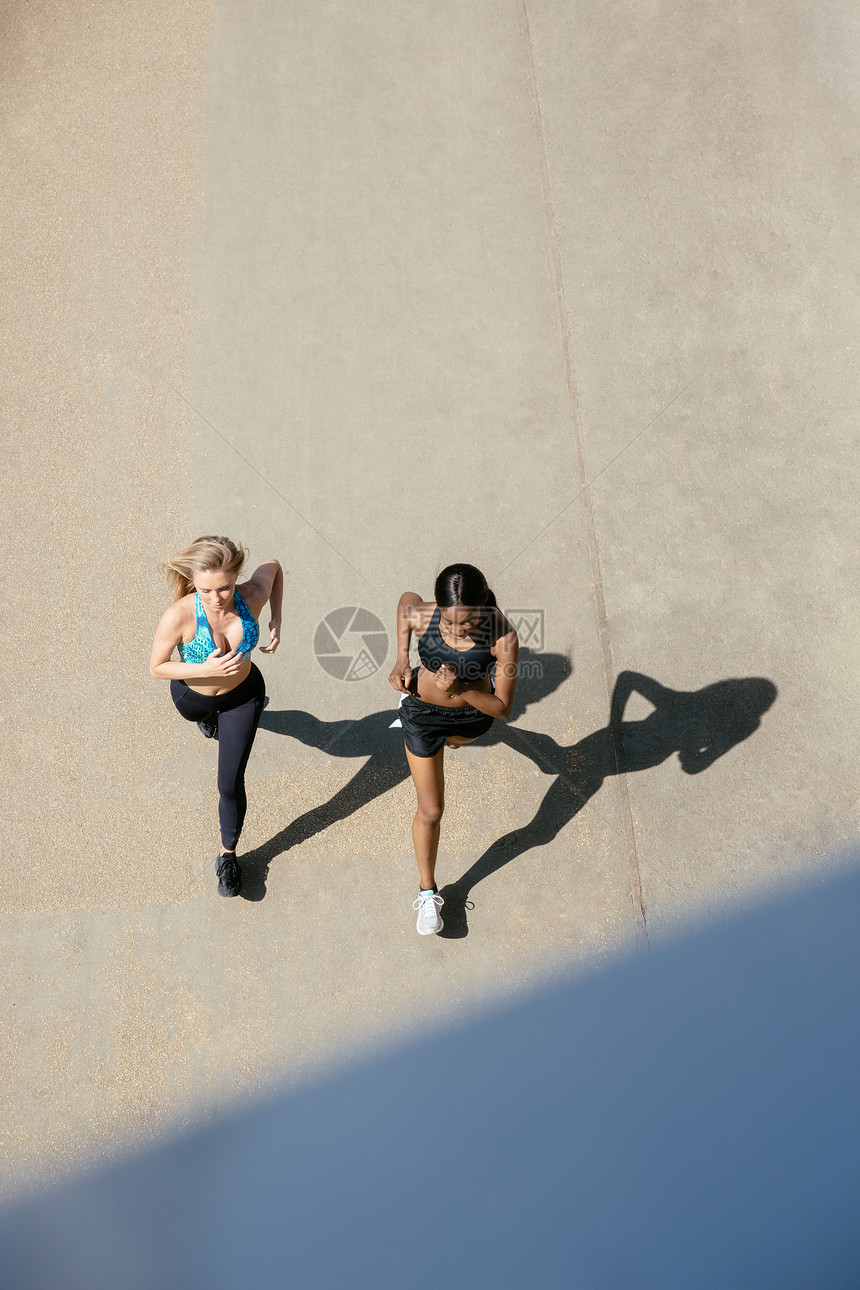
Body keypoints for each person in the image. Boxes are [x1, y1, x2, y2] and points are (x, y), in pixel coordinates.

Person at [388, 563, 518, 934]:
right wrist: (401, 657)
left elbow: (502, 707)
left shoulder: (503, 637)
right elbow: (404, 602)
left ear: (483, 610)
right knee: (431, 810)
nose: (456, 631)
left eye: (467, 625)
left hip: (471, 720)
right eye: (448, 624)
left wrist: (460, 690)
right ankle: (428, 893)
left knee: (461, 741)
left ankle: (453, 741)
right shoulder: (423, 614)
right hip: (422, 717)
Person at [150, 536, 283, 897]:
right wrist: (200, 669)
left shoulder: (252, 596)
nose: (216, 599)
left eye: (224, 588)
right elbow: (157, 667)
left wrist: (276, 620)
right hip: (193, 697)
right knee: (202, 716)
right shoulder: (179, 615)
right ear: (194, 581)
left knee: (229, 782)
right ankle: (207, 721)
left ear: (235, 577)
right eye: (205, 590)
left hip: (243, 696)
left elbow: (274, 566)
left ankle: (228, 855)